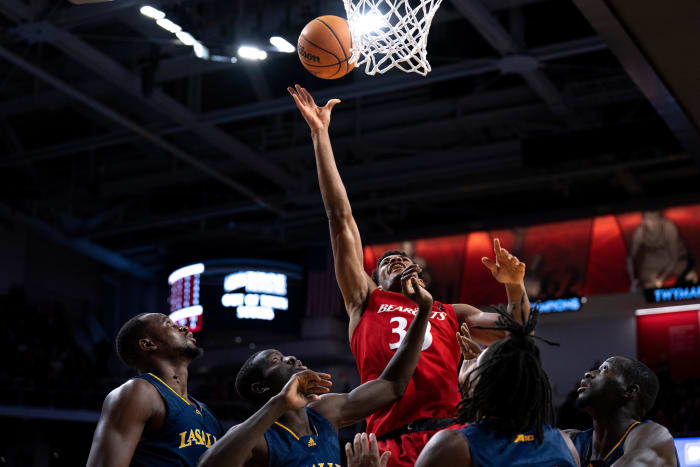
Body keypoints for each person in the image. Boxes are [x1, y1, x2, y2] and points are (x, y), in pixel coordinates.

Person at [287, 83, 531, 466]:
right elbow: (340, 218)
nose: (397, 261)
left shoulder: (453, 312)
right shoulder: (365, 300)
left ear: (420, 272)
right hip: (391, 440)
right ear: (375, 278)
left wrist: (515, 287)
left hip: (454, 434)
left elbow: (518, 328)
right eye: (387, 262)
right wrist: (321, 134)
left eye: (404, 259)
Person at [198, 267, 433, 467]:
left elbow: (392, 385)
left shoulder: (325, 412)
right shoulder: (260, 438)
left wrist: (423, 312)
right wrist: (280, 401)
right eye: (275, 360)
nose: (290, 358)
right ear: (261, 387)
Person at [414, 305, 580, 467]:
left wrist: (469, 392)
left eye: (477, 369)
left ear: (484, 386)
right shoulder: (565, 445)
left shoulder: (453, 447)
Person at [87, 313, 223, 467]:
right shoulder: (139, 391)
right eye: (168, 324)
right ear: (148, 344)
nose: (184, 328)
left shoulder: (207, 414)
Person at [566, 357, 679, 466]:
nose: (588, 373)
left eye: (604, 369)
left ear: (629, 390)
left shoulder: (654, 436)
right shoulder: (571, 439)